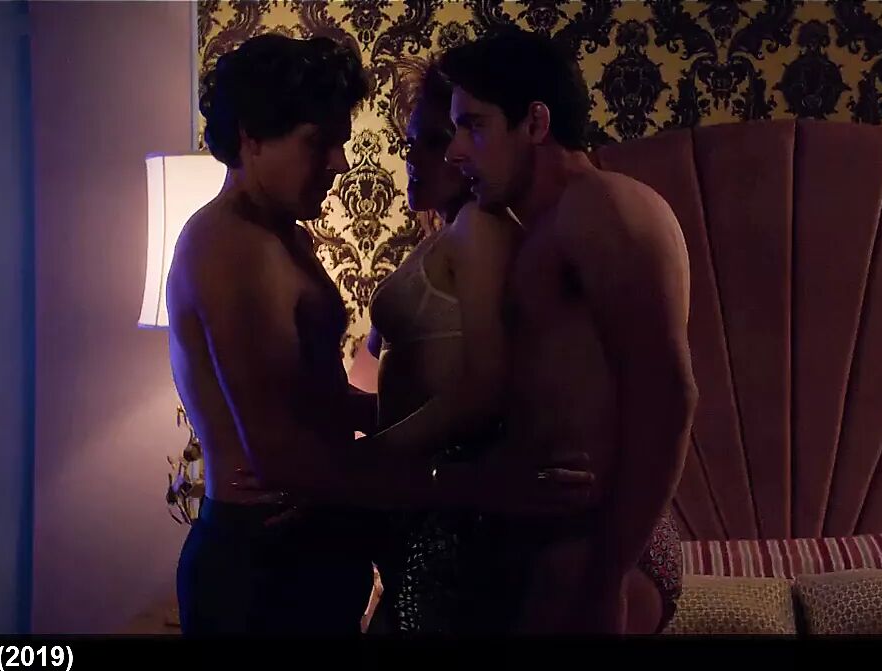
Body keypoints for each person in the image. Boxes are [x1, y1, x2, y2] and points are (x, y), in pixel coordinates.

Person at [166, 33, 592, 636]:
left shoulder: (283, 234)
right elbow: (281, 460)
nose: (340, 163)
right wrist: (482, 484)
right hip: (262, 564)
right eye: (318, 142)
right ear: (251, 137)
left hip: (311, 548)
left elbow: (311, 393)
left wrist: (418, 418)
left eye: (339, 141)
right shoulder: (226, 247)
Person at [432, 28, 697, 634]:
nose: (456, 152)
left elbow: (669, 398)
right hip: (552, 540)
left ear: (535, 122)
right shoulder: (540, 226)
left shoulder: (602, 208)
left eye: (474, 126)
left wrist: (607, 577)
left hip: (595, 544)